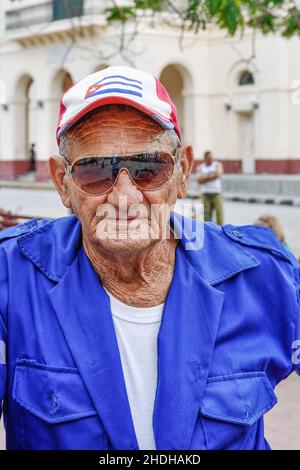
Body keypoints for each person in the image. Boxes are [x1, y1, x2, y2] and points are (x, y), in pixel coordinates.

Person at [0, 65, 299, 451]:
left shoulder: (263, 276)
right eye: (95, 172)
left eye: (148, 168)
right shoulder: (11, 277)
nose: (124, 198)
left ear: (182, 171)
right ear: (62, 183)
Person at [197, 151, 224, 225]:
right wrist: (212, 176)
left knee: (219, 214)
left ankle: (220, 230)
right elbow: (199, 180)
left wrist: (205, 178)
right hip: (205, 194)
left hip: (216, 193)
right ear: (205, 158)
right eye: (209, 158)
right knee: (206, 216)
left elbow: (218, 174)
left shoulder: (217, 164)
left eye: (212, 158)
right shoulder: (200, 167)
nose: (211, 160)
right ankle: (208, 231)